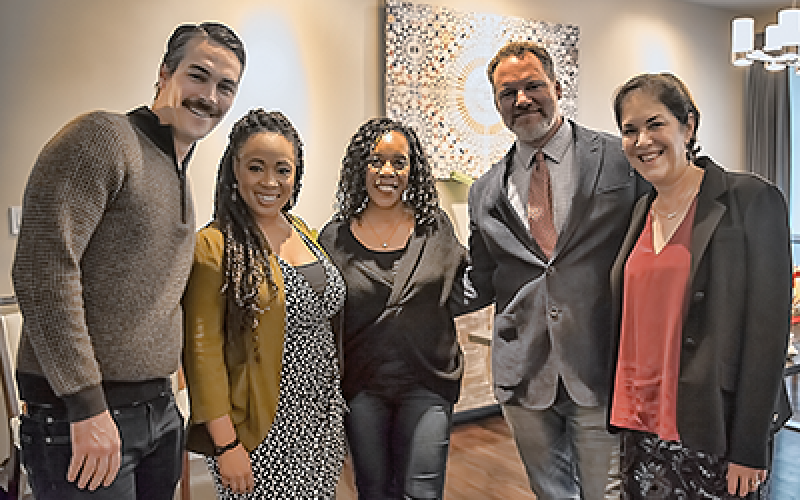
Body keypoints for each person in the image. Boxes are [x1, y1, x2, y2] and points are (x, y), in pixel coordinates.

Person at [11, 22, 244, 500]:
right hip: (85, 416)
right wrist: (87, 407)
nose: (210, 96)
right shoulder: (103, 138)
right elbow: (43, 270)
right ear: (164, 72)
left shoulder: (178, 170)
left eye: (226, 87)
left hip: (156, 412)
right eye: (198, 76)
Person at [460, 40, 650, 499]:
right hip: (524, 374)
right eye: (508, 93)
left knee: (605, 494)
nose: (521, 99)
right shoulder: (486, 190)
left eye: (533, 86)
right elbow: (482, 278)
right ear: (497, 105)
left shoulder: (620, 160)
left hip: (600, 366)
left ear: (557, 87)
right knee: (549, 493)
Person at [608, 72, 792, 499]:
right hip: (642, 424)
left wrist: (749, 447)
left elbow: (767, 334)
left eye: (655, 124)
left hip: (716, 425)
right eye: (629, 130)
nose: (642, 140)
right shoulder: (640, 211)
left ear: (687, 125)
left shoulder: (750, 200)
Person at [182, 109, 347, 499]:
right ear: (234, 170)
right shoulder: (215, 245)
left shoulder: (303, 230)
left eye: (283, 169)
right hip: (260, 429)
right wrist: (225, 446)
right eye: (256, 167)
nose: (270, 181)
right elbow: (202, 355)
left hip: (320, 419)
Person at [318, 117, 469, 499]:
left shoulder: (434, 227)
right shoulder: (333, 237)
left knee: (423, 490)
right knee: (373, 490)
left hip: (428, 382)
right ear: (360, 167)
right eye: (376, 161)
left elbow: (464, 282)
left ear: (412, 169)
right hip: (362, 386)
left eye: (399, 162)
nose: (388, 172)